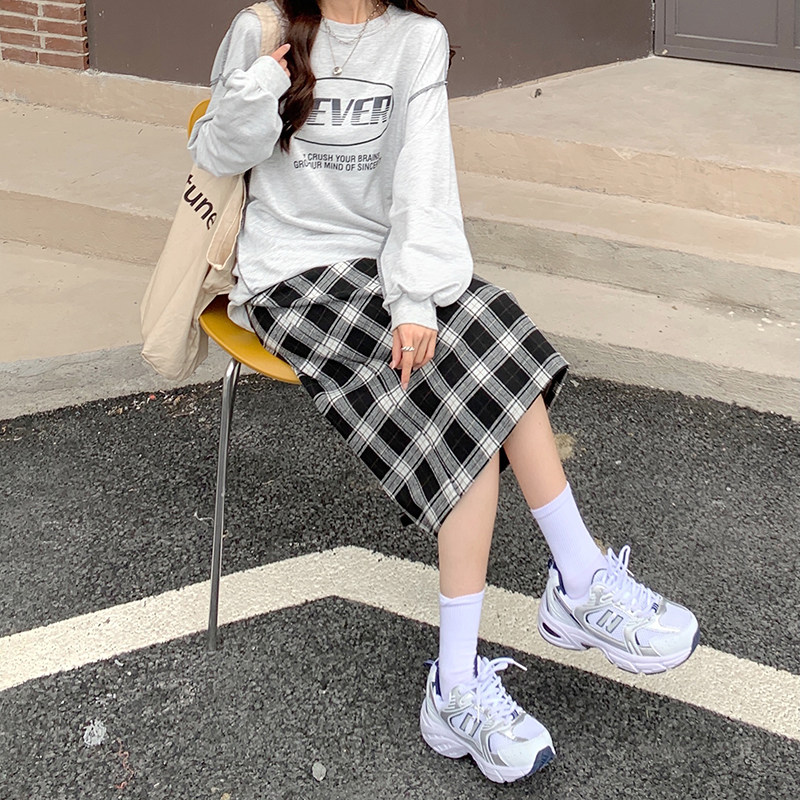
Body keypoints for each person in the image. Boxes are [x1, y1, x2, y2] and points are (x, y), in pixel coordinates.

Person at [189, 0, 699, 785]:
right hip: (289, 278)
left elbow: (423, 181)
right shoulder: (264, 28)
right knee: (467, 388)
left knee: (493, 327)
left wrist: (415, 298)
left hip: (382, 263)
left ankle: (561, 597)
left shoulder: (416, 40)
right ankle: (502, 647)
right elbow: (217, 152)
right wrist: (260, 85)